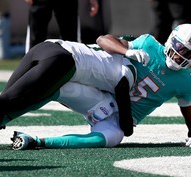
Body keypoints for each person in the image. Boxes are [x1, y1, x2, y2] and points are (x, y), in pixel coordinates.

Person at [0, 36, 146, 150]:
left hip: (47, 46)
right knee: (4, 102)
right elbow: (126, 128)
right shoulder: (127, 74)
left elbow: (103, 40)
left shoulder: (114, 54)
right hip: (63, 62)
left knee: (2, 103)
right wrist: (127, 122)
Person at [11, 23, 191, 150]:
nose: (181, 57)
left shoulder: (186, 79)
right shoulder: (148, 44)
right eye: (181, 49)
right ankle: (7, 111)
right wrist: (127, 51)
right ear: (171, 40)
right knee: (59, 87)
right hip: (100, 95)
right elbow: (103, 40)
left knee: (111, 138)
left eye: (189, 53)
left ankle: (37, 141)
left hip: (118, 118)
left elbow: (187, 109)